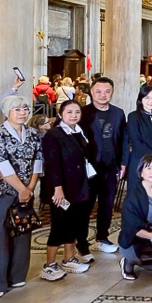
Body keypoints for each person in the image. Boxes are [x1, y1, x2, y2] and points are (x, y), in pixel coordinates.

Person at [0, 95, 42, 298]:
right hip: (3, 192)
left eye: (25, 109)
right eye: (17, 109)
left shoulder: (33, 133)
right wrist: (20, 189)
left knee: (23, 231)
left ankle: (17, 276)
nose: (22, 112)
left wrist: (30, 187)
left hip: (27, 191)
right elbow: (1, 164)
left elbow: (38, 161)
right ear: (7, 112)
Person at [41, 100, 94, 281]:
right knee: (59, 225)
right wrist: (57, 189)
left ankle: (68, 258)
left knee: (73, 222)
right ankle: (49, 264)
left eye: (77, 112)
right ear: (60, 114)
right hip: (61, 188)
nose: (73, 115)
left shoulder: (78, 132)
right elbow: (52, 164)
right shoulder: (54, 135)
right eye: (69, 112)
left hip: (78, 186)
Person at [81, 77, 126, 256]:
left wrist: (123, 163)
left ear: (112, 92)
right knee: (85, 206)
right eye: (98, 91)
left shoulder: (118, 113)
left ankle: (102, 237)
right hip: (88, 168)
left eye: (107, 91)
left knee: (107, 205)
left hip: (110, 166)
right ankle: (82, 243)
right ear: (91, 92)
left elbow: (123, 140)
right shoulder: (82, 113)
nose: (103, 95)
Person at [126, 84, 152, 185]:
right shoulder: (133, 117)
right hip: (140, 162)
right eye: (147, 98)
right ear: (141, 99)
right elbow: (136, 142)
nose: (151, 101)